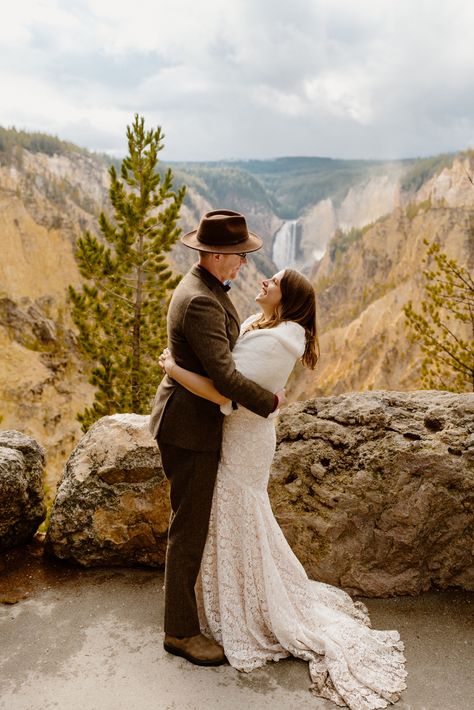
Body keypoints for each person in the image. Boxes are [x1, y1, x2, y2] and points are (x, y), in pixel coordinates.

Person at [159, 268, 407, 710]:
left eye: (272, 282)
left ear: (286, 298)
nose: (262, 282)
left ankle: (249, 605)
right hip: (235, 432)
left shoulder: (278, 341)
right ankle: (222, 597)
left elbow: (226, 392)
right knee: (227, 512)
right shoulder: (268, 325)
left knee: (239, 510)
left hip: (244, 437)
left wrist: (174, 368)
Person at [149, 209, 283, 667]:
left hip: (190, 423)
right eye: (238, 256)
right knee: (188, 528)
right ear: (213, 254)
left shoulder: (206, 288)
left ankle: (185, 614)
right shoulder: (201, 300)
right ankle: (179, 632)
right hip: (189, 429)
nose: (244, 264)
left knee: (190, 524)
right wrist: (269, 402)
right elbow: (224, 375)